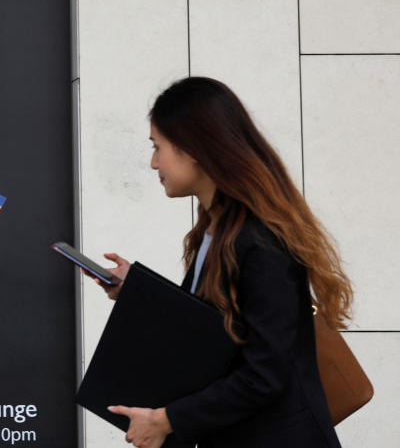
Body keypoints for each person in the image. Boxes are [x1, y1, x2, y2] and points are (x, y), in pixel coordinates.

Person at [94, 77, 352, 448]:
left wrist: (168, 420)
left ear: (193, 147)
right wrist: (137, 293)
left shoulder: (261, 242)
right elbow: (209, 331)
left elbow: (265, 374)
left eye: (157, 147)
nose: (153, 163)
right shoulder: (216, 230)